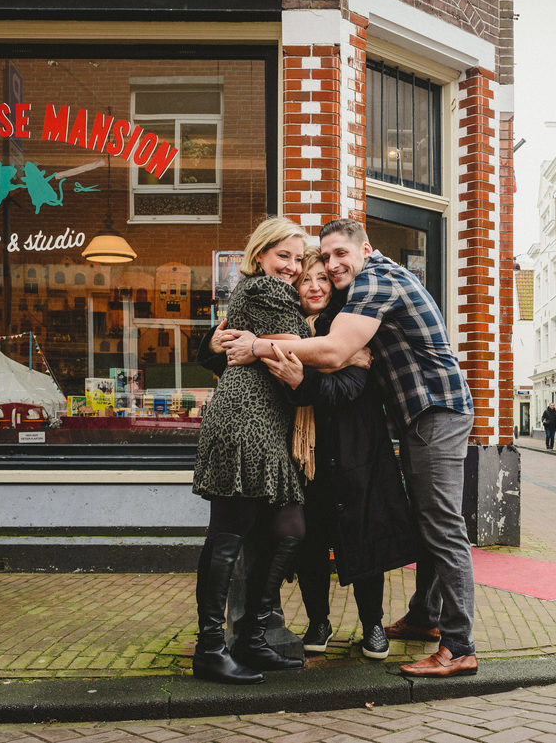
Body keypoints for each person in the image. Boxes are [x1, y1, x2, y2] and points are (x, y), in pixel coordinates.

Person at [223, 218, 478, 678]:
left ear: (366, 249)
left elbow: (337, 354)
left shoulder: (376, 281)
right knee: (430, 523)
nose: (333, 265)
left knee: (443, 527)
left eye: (341, 254)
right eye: (325, 256)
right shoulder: (364, 288)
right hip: (424, 416)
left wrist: (257, 346)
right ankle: (425, 616)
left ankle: (459, 648)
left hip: (435, 412)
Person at [204, 251, 417, 664]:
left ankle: (372, 624)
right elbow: (235, 358)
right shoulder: (285, 329)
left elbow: (348, 387)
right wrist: (211, 342)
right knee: (310, 542)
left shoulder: (347, 330)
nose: (316, 286)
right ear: (295, 288)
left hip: (356, 452)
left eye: (323, 278)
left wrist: (305, 376)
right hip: (304, 457)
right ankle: (318, 621)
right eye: (306, 280)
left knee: (363, 538)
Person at [190, 217, 312, 685]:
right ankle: (210, 648)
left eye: (299, 259)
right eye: (285, 255)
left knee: (289, 527)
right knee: (228, 535)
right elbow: (302, 346)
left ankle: (252, 639)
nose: (293, 267)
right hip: (245, 419)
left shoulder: (259, 292)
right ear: (260, 254)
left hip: (264, 423)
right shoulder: (267, 290)